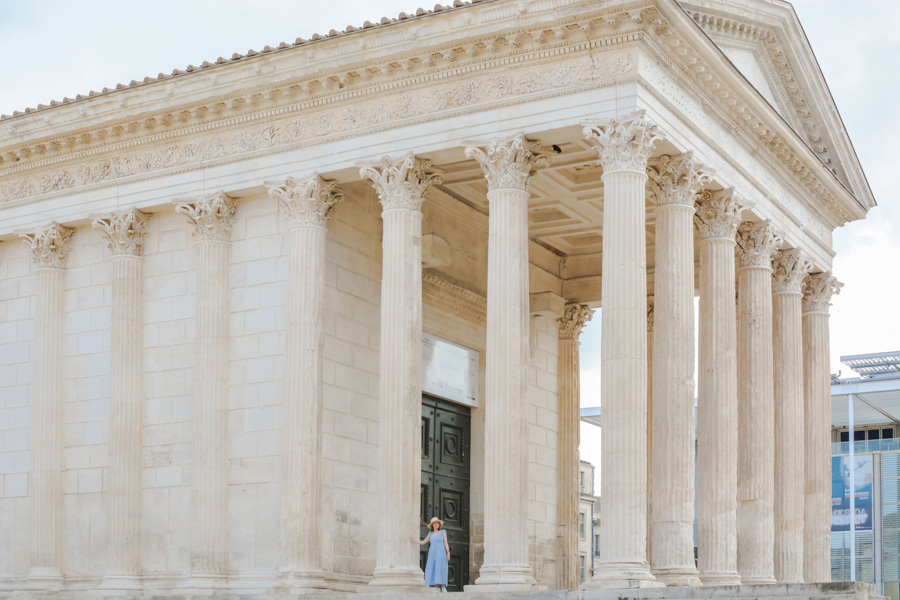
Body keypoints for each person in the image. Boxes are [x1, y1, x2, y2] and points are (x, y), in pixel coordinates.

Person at [410, 516, 450, 592]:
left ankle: (443, 586)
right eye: (434, 523)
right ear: (432, 525)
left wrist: (448, 552)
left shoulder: (443, 532)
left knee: (441, 569)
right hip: (433, 555)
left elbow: (446, 543)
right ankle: (437, 587)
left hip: (441, 553)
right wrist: (414, 541)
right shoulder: (430, 533)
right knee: (434, 569)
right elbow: (423, 542)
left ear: (439, 524)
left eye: (437, 523)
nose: (436, 524)